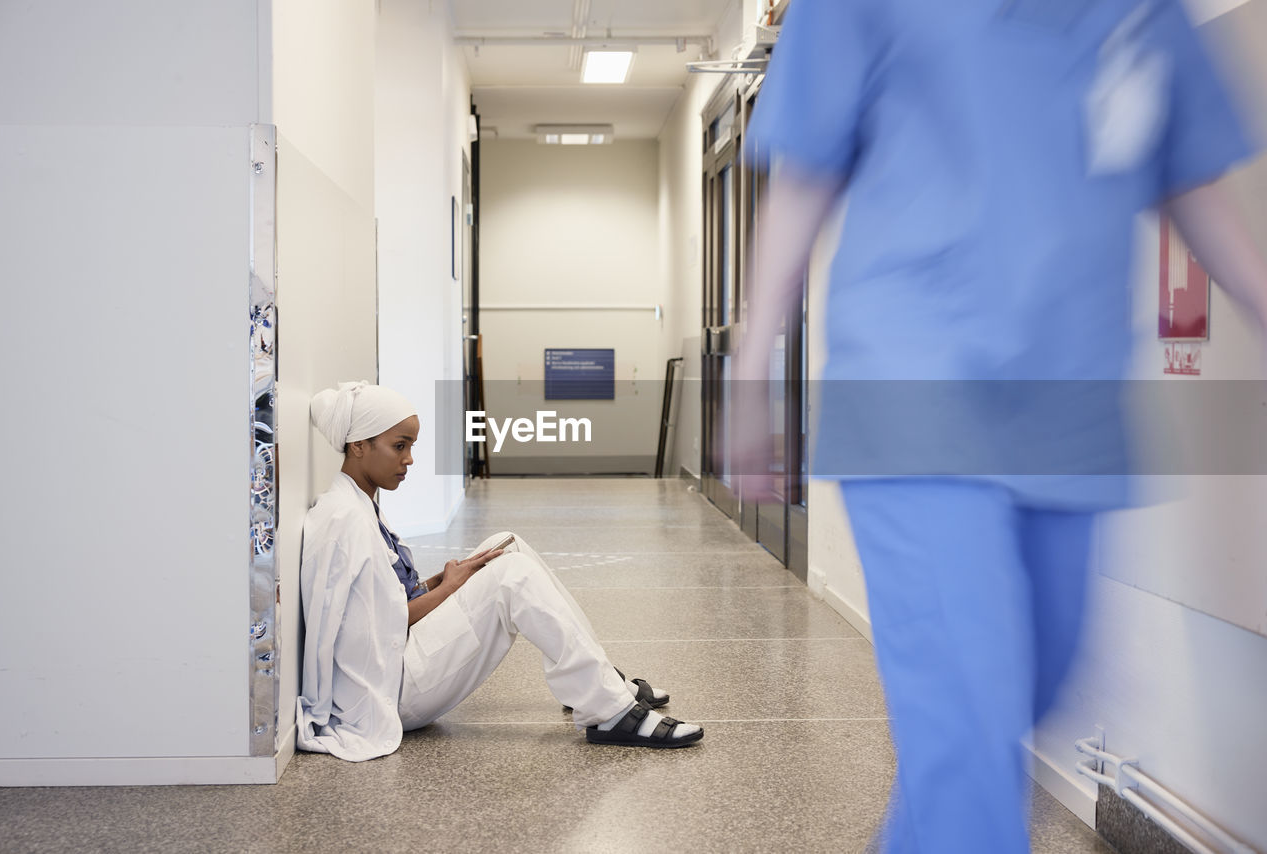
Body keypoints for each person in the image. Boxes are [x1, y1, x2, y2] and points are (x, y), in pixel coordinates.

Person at [736, 0, 1267, 851]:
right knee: (972, 739)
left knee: (1027, 694)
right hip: (915, 392)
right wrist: (751, 364)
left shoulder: (1142, 11)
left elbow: (1186, 173)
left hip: (1071, 410)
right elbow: (805, 173)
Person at [296, 381, 703, 761]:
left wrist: (436, 582)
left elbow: (380, 600)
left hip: (396, 663)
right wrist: (451, 587)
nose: (409, 459)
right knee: (511, 577)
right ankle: (610, 709)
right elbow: (385, 624)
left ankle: (597, 681)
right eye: (399, 446)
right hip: (391, 690)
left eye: (411, 446)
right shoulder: (345, 521)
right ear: (358, 445)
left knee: (504, 543)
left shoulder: (357, 504)